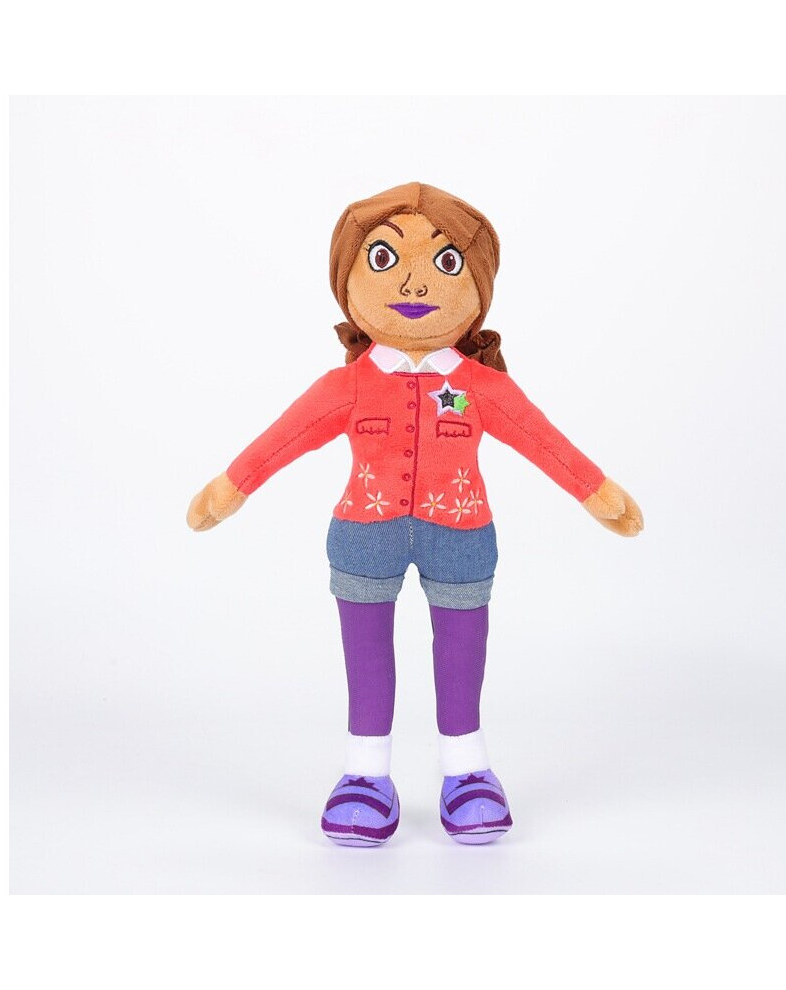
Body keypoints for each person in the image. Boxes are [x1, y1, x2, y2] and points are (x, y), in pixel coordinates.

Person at [187, 182, 643, 846]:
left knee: (462, 652)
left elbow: (542, 440)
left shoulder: (481, 387)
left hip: (461, 533)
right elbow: (284, 437)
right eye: (384, 258)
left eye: (445, 262)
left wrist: (595, 490)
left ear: (477, 286)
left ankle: (466, 769)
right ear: (348, 280)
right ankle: (366, 773)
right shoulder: (346, 387)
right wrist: (231, 487)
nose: (414, 281)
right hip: (362, 533)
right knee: (366, 652)